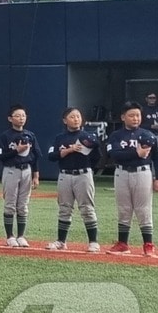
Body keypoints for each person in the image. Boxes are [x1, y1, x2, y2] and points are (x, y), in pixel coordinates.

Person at [103, 101, 158, 256]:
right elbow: (114, 155)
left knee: (143, 209)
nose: (135, 118)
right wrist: (136, 154)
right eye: (131, 115)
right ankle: (123, 244)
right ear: (123, 117)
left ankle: (148, 244)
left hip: (142, 173)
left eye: (138, 115)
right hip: (121, 173)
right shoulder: (115, 135)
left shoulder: (148, 135)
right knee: (124, 209)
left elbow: (156, 158)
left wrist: (157, 178)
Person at [46, 107, 102, 253]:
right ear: (65, 120)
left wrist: (88, 168)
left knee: (87, 208)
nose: (76, 119)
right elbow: (51, 156)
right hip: (65, 175)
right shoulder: (60, 138)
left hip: (83, 174)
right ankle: (61, 241)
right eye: (72, 117)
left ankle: (93, 242)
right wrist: (67, 151)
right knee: (64, 208)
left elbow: (97, 156)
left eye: (78, 116)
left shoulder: (88, 136)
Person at [0, 105, 40, 247]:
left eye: (23, 116)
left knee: (23, 204)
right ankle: (10, 236)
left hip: (26, 170)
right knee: (10, 204)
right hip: (11, 170)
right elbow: (0, 156)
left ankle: (21, 236)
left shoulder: (30, 135)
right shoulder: (5, 136)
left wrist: (36, 174)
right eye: (18, 115)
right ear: (10, 118)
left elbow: (35, 156)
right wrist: (16, 150)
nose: (21, 118)